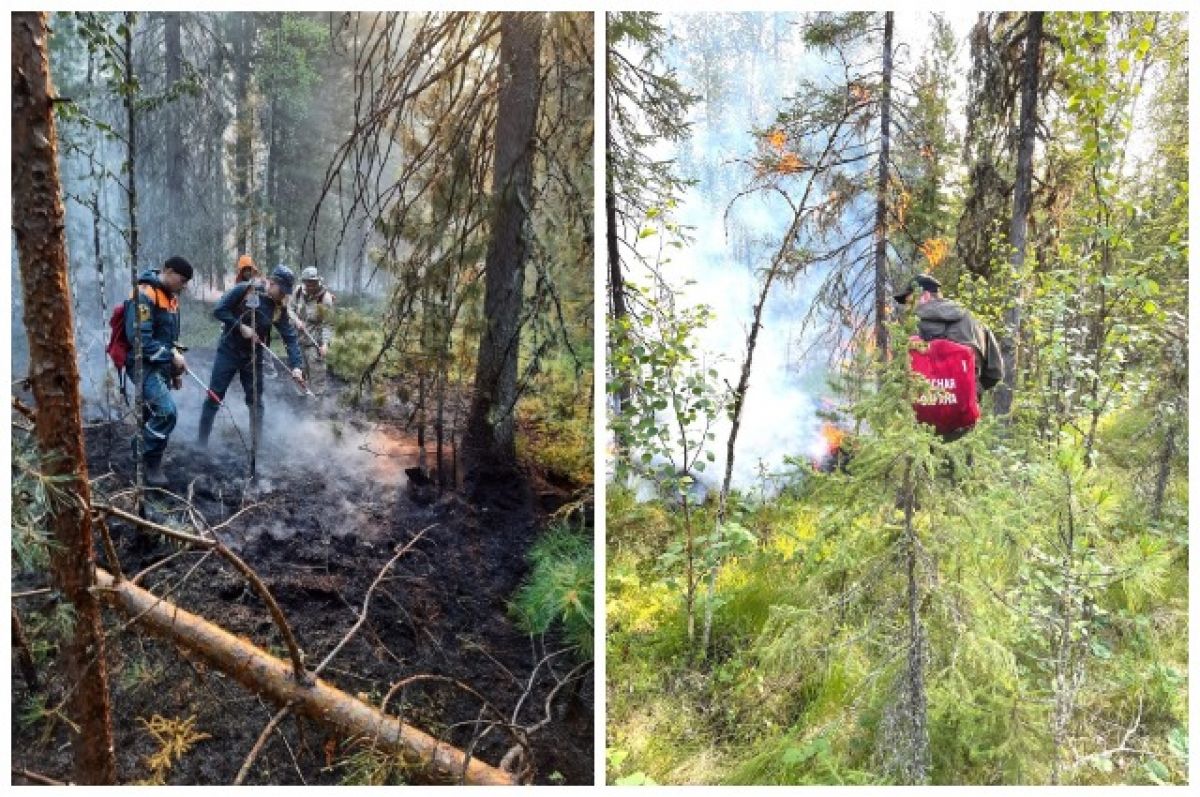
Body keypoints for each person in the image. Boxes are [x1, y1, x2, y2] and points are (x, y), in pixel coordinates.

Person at [198, 265, 305, 447]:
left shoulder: (279, 307)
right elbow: (219, 310)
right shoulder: (245, 290)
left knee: (256, 401)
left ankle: (256, 446)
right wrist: (241, 326)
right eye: (282, 290)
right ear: (272, 282)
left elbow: (290, 337)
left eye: (287, 292)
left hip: (253, 357)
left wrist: (296, 366)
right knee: (214, 396)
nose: (283, 295)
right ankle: (201, 444)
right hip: (229, 351)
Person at [127, 256, 193, 486]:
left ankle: (149, 465)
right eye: (182, 280)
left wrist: (174, 372)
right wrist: (170, 357)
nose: (184, 286)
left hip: (160, 366)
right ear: (168, 271)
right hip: (143, 365)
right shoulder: (144, 294)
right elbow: (139, 341)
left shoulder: (171, 299)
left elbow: (170, 339)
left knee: (149, 415)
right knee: (167, 412)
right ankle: (140, 453)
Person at [894, 273, 1004, 394]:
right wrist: (972, 391)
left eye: (910, 303)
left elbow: (899, 374)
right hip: (965, 407)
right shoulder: (975, 320)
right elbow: (995, 373)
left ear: (925, 296)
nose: (908, 308)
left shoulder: (911, 327)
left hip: (924, 406)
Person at [291, 266, 336, 396]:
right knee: (299, 378)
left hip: (314, 345)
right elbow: (290, 309)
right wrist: (296, 320)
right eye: (307, 282)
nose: (310, 286)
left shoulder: (325, 299)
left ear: (317, 281)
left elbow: (328, 324)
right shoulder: (298, 291)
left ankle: (317, 411)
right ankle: (300, 407)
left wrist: (325, 344)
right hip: (298, 343)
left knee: (317, 380)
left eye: (313, 282)